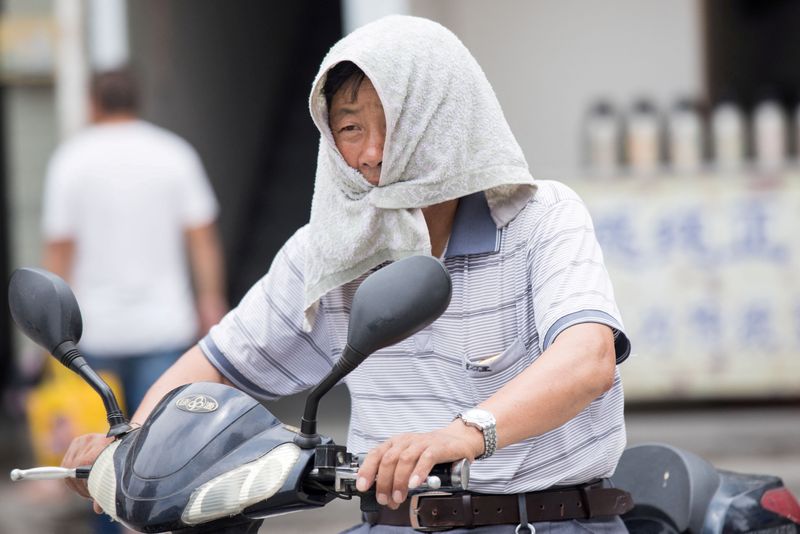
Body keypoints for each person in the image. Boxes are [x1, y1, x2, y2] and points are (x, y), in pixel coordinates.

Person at [62, 17, 632, 533]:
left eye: (394, 123)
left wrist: (461, 435)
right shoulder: (326, 254)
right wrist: (131, 448)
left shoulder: (540, 218)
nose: (372, 153)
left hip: (544, 522)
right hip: (386, 525)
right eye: (351, 128)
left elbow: (587, 361)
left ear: (446, 116)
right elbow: (217, 364)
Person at [44, 69, 228, 533]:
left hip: (92, 335)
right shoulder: (173, 154)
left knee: (97, 465)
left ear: (92, 103)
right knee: (162, 459)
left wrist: (47, 331)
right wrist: (211, 301)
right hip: (164, 328)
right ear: (136, 100)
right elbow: (202, 238)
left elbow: (58, 251)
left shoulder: (71, 160)